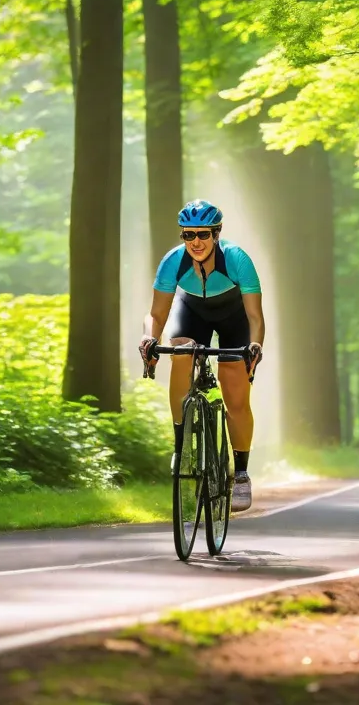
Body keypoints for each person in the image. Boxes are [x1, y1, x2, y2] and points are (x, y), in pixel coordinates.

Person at [139, 199, 265, 512]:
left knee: (236, 396)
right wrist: (148, 338)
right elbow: (156, 314)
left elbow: (255, 317)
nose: (196, 242)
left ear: (216, 234)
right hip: (191, 311)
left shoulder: (236, 259)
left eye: (203, 235)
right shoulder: (173, 262)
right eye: (188, 235)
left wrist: (255, 345)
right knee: (180, 352)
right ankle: (181, 443)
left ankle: (242, 473)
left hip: (233, 318)